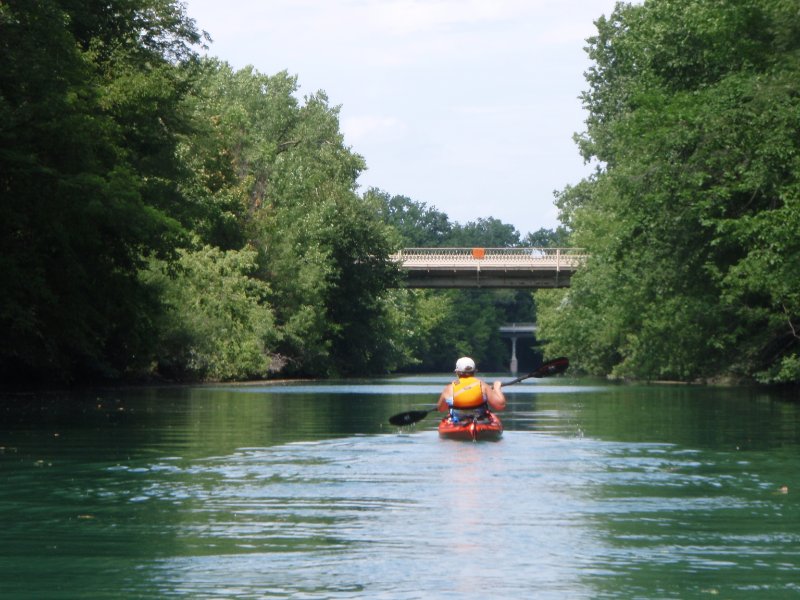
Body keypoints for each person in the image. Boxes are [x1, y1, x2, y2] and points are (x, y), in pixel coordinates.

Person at [437, 356, 506, 422]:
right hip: (480, 420)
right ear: (475, 371)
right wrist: (497, 388)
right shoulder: (483, 385)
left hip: (458, 422)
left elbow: (441, 409)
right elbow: (500, 406)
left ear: (457, 372)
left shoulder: (449, 388)